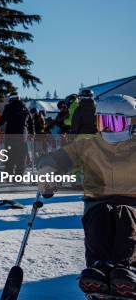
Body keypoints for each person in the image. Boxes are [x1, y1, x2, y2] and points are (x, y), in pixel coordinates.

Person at [38, 94, 136, 298]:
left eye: (113, 123)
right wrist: (48, 170)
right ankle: (98, 268)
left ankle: (126, 268)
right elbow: (57, 157)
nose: (107, 129)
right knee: (99, 217)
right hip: (96, 202)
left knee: (125, 218)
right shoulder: (88, 145)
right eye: (103, 122)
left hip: (132, 204)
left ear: (131, 123)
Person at [0, 92, 33, 174]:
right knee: (21, 156)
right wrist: (32, 132)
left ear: (12, 100)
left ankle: (9, 173)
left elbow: (2, 120)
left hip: (11, 135)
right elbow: (30, 121)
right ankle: (19, 175)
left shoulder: (9, 108)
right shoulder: (25, 108)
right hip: (22, 136)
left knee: (10, 154)